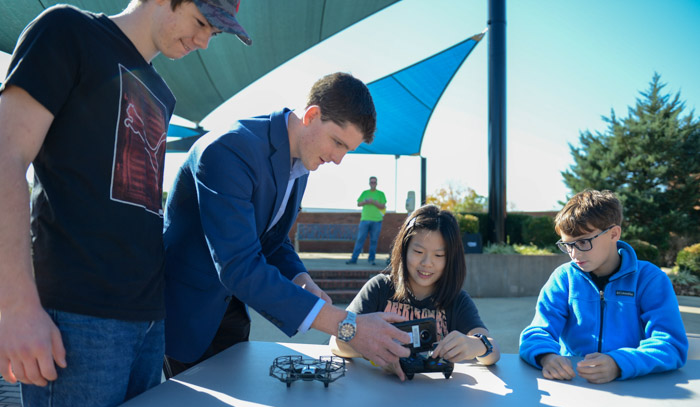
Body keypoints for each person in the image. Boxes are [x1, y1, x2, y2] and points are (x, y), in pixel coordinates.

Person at [0, 0, 251, 407]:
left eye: (211, 35)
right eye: (200, 23)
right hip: (78, 318)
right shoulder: (67, 31)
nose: (201, 42)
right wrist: (14, 306)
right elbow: (5, 156)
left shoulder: (159, 89)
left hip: (147, 321)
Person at [163, 72, 411, 382]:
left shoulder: (302, 163)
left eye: (346, 150)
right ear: (312, 115)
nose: (337, 159)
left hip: (231, 315)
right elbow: (239, 265)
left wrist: (301, 278)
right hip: (187, 316)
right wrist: (347, 326)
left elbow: (274, 241)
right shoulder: (228, 150)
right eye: (337, 142)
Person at [519, 189, 688, 384]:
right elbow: (537, 332)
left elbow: (671, 344)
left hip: (634, 387)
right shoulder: (563, 278)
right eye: (568, 245)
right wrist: (547, 357)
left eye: (583, 241)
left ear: (614, 234)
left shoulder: (650, 279)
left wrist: (619, 363)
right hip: (574, 385)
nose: (574, 254)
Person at [331, 204, 500, 381]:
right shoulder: (379, 288)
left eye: (439, 255)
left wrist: (477, 344)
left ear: (451, 258)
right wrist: (376, 352)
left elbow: (493, 351)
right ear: (403, 249)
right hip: (382, 397)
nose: (427, 263)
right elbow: (336, 342)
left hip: (440, 401)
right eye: (418, 252)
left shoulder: (457, 300)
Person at [346, 176, 387, 265]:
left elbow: (383, 206)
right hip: (364, 220)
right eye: (371, 182)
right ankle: (354, 259)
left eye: (374, 182)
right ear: (369, 183)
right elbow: (358, 203)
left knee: (374, 240)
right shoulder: (365, 193)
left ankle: (371, 260)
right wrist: (366, 201)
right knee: (360, 239)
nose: (373, 184)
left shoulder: (381, 194)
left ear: (376, 183)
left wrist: (375, 202)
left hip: (377, 220)